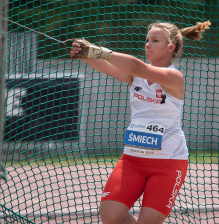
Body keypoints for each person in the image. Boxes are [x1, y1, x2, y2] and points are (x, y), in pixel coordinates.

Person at [70, 21, 211, 224]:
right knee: (109, 216)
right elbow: (107, 67)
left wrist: (99, 50)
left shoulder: (174, 77)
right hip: (132, 161)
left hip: (168, 164)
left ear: (171, 48)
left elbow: (136, 65)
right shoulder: (136, 75)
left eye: (155, 41)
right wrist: (85, 53)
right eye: (147, 40)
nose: (147, 45)